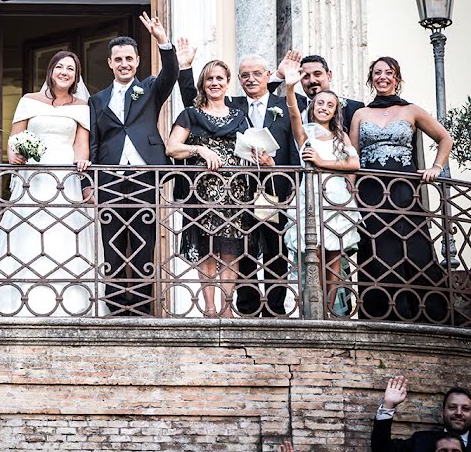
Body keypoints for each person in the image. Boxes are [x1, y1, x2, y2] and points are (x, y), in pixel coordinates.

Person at [0, 51, 104, 317]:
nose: (65, 72)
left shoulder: (81, 106)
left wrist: (82, 167)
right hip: (33, 177)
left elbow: (80, 144)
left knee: (64, 235)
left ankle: (69, 304)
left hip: (65, 178)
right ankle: (14, 302)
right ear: (51, 71)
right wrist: (15, 153)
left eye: (71, 69)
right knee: (27, 233)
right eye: (60, 67)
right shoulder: (29, 100)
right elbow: (14, 139)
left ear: (76, 76)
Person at [182, 54, 300, 317]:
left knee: (274, 251)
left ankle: (275, 310)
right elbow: (196, 100)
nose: (251, 79)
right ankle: (246, 307)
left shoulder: (286, 104)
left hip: (273, 188)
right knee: (239, 249)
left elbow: (295, 143)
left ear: (268, 76)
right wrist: (185, 67)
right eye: (245, 75)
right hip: (237, 191)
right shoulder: (233, 106)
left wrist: (292, 182)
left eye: (257, 74)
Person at [88, 12, 180, 316]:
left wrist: (162, 41)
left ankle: (141, 308)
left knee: (143, 246)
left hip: (144, 177)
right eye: (118, 59)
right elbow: (95, 141)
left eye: (129, 58)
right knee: (112, 246)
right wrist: (91, 181)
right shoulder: (98, 100)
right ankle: (115, 309)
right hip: (110, 177)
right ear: (110, 63)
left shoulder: (152, 88)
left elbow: (171, 74)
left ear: (137, 61)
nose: (124, 63)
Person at [349, 56, 453, 323]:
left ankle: (426, 313)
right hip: (370, 191)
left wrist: (436, 168)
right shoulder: (361, 114)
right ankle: (380, 313)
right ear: (370, 79)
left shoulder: (411, 110)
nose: (382, 77)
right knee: (376, 248)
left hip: (405, 190)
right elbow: (351, 158)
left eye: (388, 72)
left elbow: (445, 138)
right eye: (377, 73)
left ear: (397, 77)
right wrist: (350, 192)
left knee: (413, 247)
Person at [167, 60, 273, 317]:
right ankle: (210, 307)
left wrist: (262, 157)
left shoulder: (239, 115)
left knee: (231, 252)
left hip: (235, 193)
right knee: (207, 251)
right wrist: (199, 149)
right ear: (203, 83)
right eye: (209, 79)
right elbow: (172, 148)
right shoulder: (190, 115)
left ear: (227, 83)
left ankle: (226, 306)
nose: (214, 83)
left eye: (220, 79)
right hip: (202, 194)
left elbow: (250, 147)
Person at [281, 64, 361, 317]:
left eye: (329, 104)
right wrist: (291, 87)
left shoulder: (341, 136)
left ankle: (330, 309)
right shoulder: (306, 133)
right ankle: (310, 309)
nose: (324, 107)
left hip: (336, 197)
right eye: (320, 103)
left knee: (335, 256)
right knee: (311, 253)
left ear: (335, 110)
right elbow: (293, 113)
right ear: (313, 107)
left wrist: (322, 162)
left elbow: (354, 163)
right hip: (311, 196)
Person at [270, 51, 365, 132]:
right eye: (305, 76)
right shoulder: (291, 104)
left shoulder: (353, 109)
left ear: (329, 75)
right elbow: (259, 97)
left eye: (317, 74)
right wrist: (279, 75)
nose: (312, 80)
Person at [371, 376, 471, 451]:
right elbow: (382, 449)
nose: (458, 412)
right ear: (442, 413)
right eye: (452, 407)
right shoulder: (420, 441)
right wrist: (388, 405)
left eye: (465, 409)